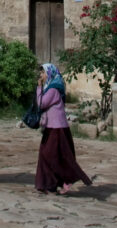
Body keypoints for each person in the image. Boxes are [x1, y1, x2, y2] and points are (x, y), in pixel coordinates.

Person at [34, 62, 92, 195]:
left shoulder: (54, 89)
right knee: (45, 155)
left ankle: (65, 179)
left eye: (43, 73)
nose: (41, 75)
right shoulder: (51, 87)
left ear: (49, 74)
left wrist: (38, 89)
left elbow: (41, 103)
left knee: (51, 156)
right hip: (51, 127)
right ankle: (48, 184)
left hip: (57, 128)